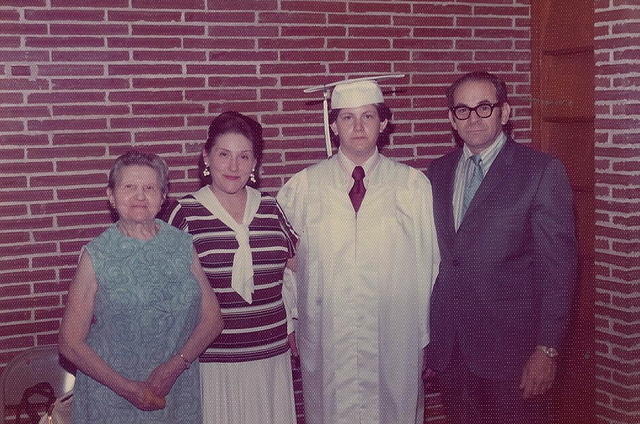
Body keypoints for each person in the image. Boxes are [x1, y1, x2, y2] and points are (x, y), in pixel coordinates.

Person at [277, 78, 440, 424]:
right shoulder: (304, 187)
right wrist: (291, 318)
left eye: (367, 116)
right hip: (325, 330)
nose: (358, 126)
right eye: (347, 118)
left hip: (396, 330)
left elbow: (430, 263)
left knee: (395, 408)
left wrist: (426, 335)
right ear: (334, 126)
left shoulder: (411, 186)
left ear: (383, 123)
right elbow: (286, 264)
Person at [424, 71, 577, 424]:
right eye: (462, 110)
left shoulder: (540, 172)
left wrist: (547, 349)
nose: (473, 118)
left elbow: (559, 271)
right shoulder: (437, 173)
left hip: (514, 355)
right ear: (451, 118)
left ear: (504, 113)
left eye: (484, 107)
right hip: (453, 351)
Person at [58, 150, 223, 424]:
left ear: (162, 197)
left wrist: (173, 368)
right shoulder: (97, 255)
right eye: (129, 187)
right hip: (111, 398)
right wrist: (129, 389)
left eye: (149, 188)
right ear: (110, 195)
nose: (140, 195)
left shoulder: (182, 245)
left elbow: (213, 320)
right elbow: (69, 342)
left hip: (176, 391)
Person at [164, 111, 299, 424]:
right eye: (224, 154)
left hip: (271, 358)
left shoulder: (270, 207)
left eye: (244, 156)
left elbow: (297, 270)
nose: (233, 166)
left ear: (254, 164)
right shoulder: (184, 213)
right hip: (213, 365)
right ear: (206, 157)